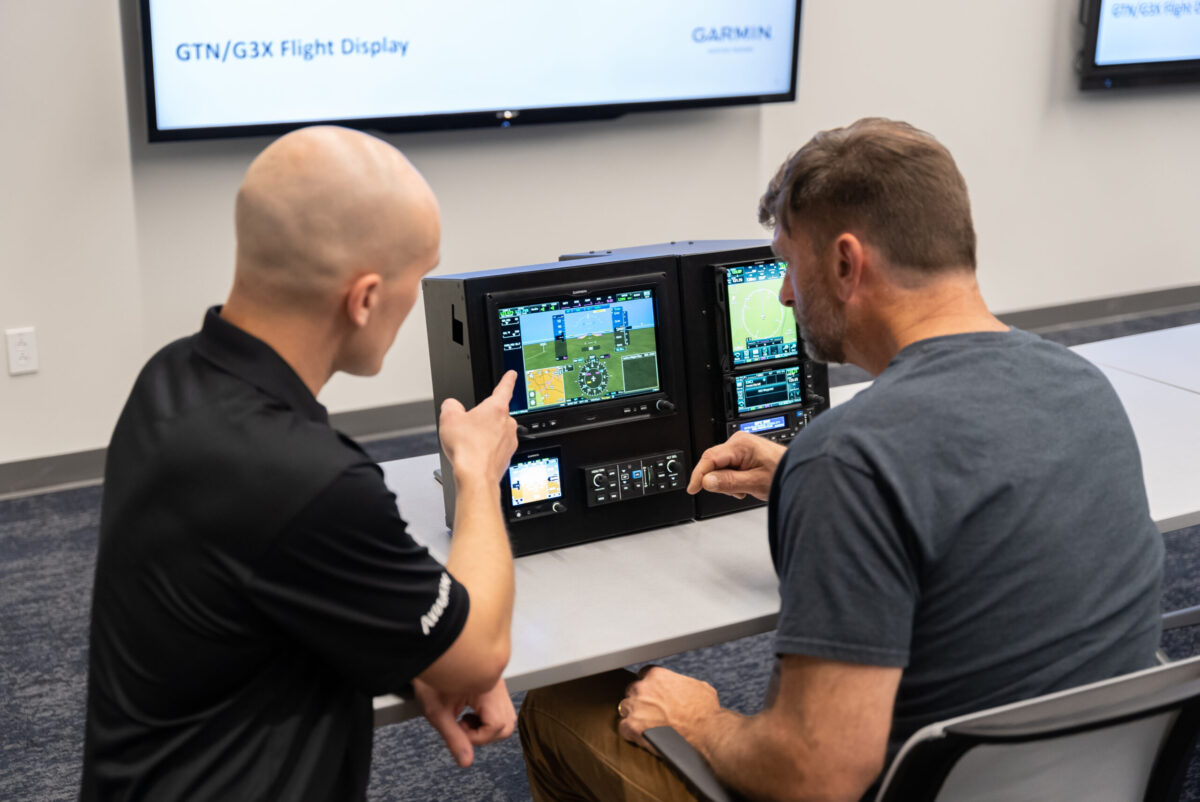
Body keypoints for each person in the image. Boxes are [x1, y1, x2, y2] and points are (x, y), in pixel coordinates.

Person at [517, 118, 1164, 801]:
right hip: (1089, 782)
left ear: (847, 263)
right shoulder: (1083, 387)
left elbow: (814, 775)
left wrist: (701, 721)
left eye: (789, 265)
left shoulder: (851, 461)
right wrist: (803, 477)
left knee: (562, 707)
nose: (786, 294)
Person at [81, 126, 520, 800]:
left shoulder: (167, 379)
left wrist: (414, 656)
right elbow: (482, 648)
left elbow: (263, 587)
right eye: (418, 279)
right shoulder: (307, 480)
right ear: (366, 297)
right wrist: (477, 472)